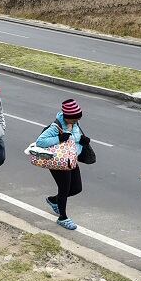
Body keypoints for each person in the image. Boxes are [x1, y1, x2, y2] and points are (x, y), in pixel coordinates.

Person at [35, 99, 88, 231]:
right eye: (74, 120)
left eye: (78, 119)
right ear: (67, 117)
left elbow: (75, 139)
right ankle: (62, 218)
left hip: (71, 159)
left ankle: (54, 200)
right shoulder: (56, 126)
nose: (76, 122)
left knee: (76, 188)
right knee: (64, 189)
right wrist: (59, 138)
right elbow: (40, 141)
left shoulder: (75, 124)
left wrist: (83, 141)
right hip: (59, 161)